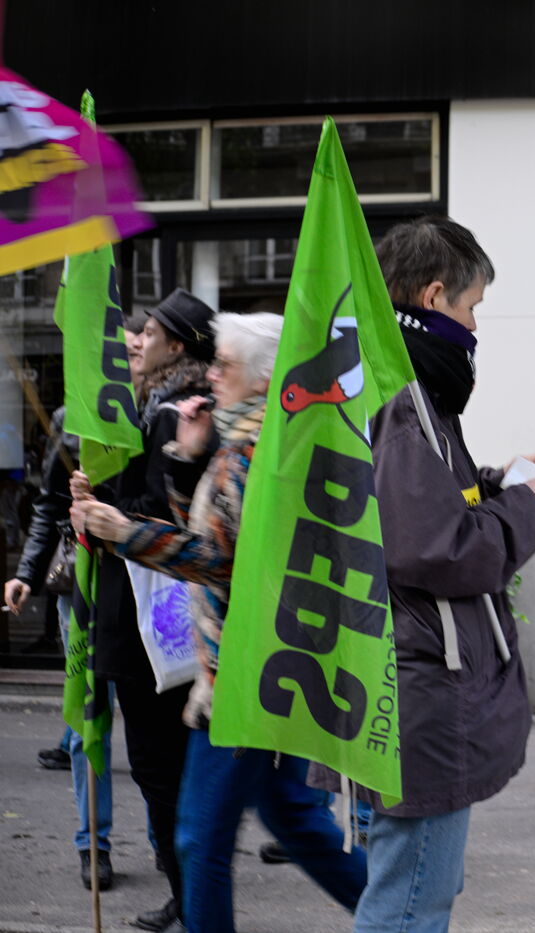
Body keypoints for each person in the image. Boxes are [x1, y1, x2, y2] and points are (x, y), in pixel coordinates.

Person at [310, 216, 535, 933]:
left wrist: (497, 485)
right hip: (418, 688)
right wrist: (528, 507)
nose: (476, 326)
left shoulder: (380, 382)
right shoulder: (404, 400)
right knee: (410, 901)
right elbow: (437, 548)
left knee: (414, 886)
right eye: (472, 306)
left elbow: (415, 508)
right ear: (433, 296)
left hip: (398, 677)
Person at [73, 312, 368, 933]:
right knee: (295, 819)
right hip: (271, 662)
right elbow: (218, 536)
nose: (211, 374)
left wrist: (126, 533)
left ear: (262, 379)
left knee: (200, 839)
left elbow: (218, 559)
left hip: (241, 672)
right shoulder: (258, 439)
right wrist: (187, 459)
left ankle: (398, 914)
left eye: (225, 365)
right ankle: (397, 916)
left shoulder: (253, 452)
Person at [71, 287, 215, 932]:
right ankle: (191, 896)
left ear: (176, 346)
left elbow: (161, 519)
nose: (135, 341)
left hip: (154, 624)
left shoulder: (170, 414)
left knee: (162, 770)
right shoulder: (156, 409)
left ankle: (193, 900)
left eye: (149, 333)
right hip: (157, 619)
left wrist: (103, 511)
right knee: (171, 771)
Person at [4, 408, 117, 890]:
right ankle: (93, 843)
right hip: (83, 582)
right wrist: (26, 573)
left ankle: (166, 846)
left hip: (145, 583)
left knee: (153, 729)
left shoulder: (161, 410)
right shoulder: (72, 417)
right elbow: (49, 505)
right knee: (86, 722)